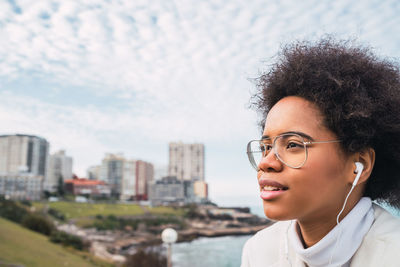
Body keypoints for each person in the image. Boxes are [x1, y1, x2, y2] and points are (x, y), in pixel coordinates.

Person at [241, 38, 400, 267]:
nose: (266, 162)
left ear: (359, 164)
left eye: (293, 144)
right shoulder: (258, 252)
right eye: (266, 147)